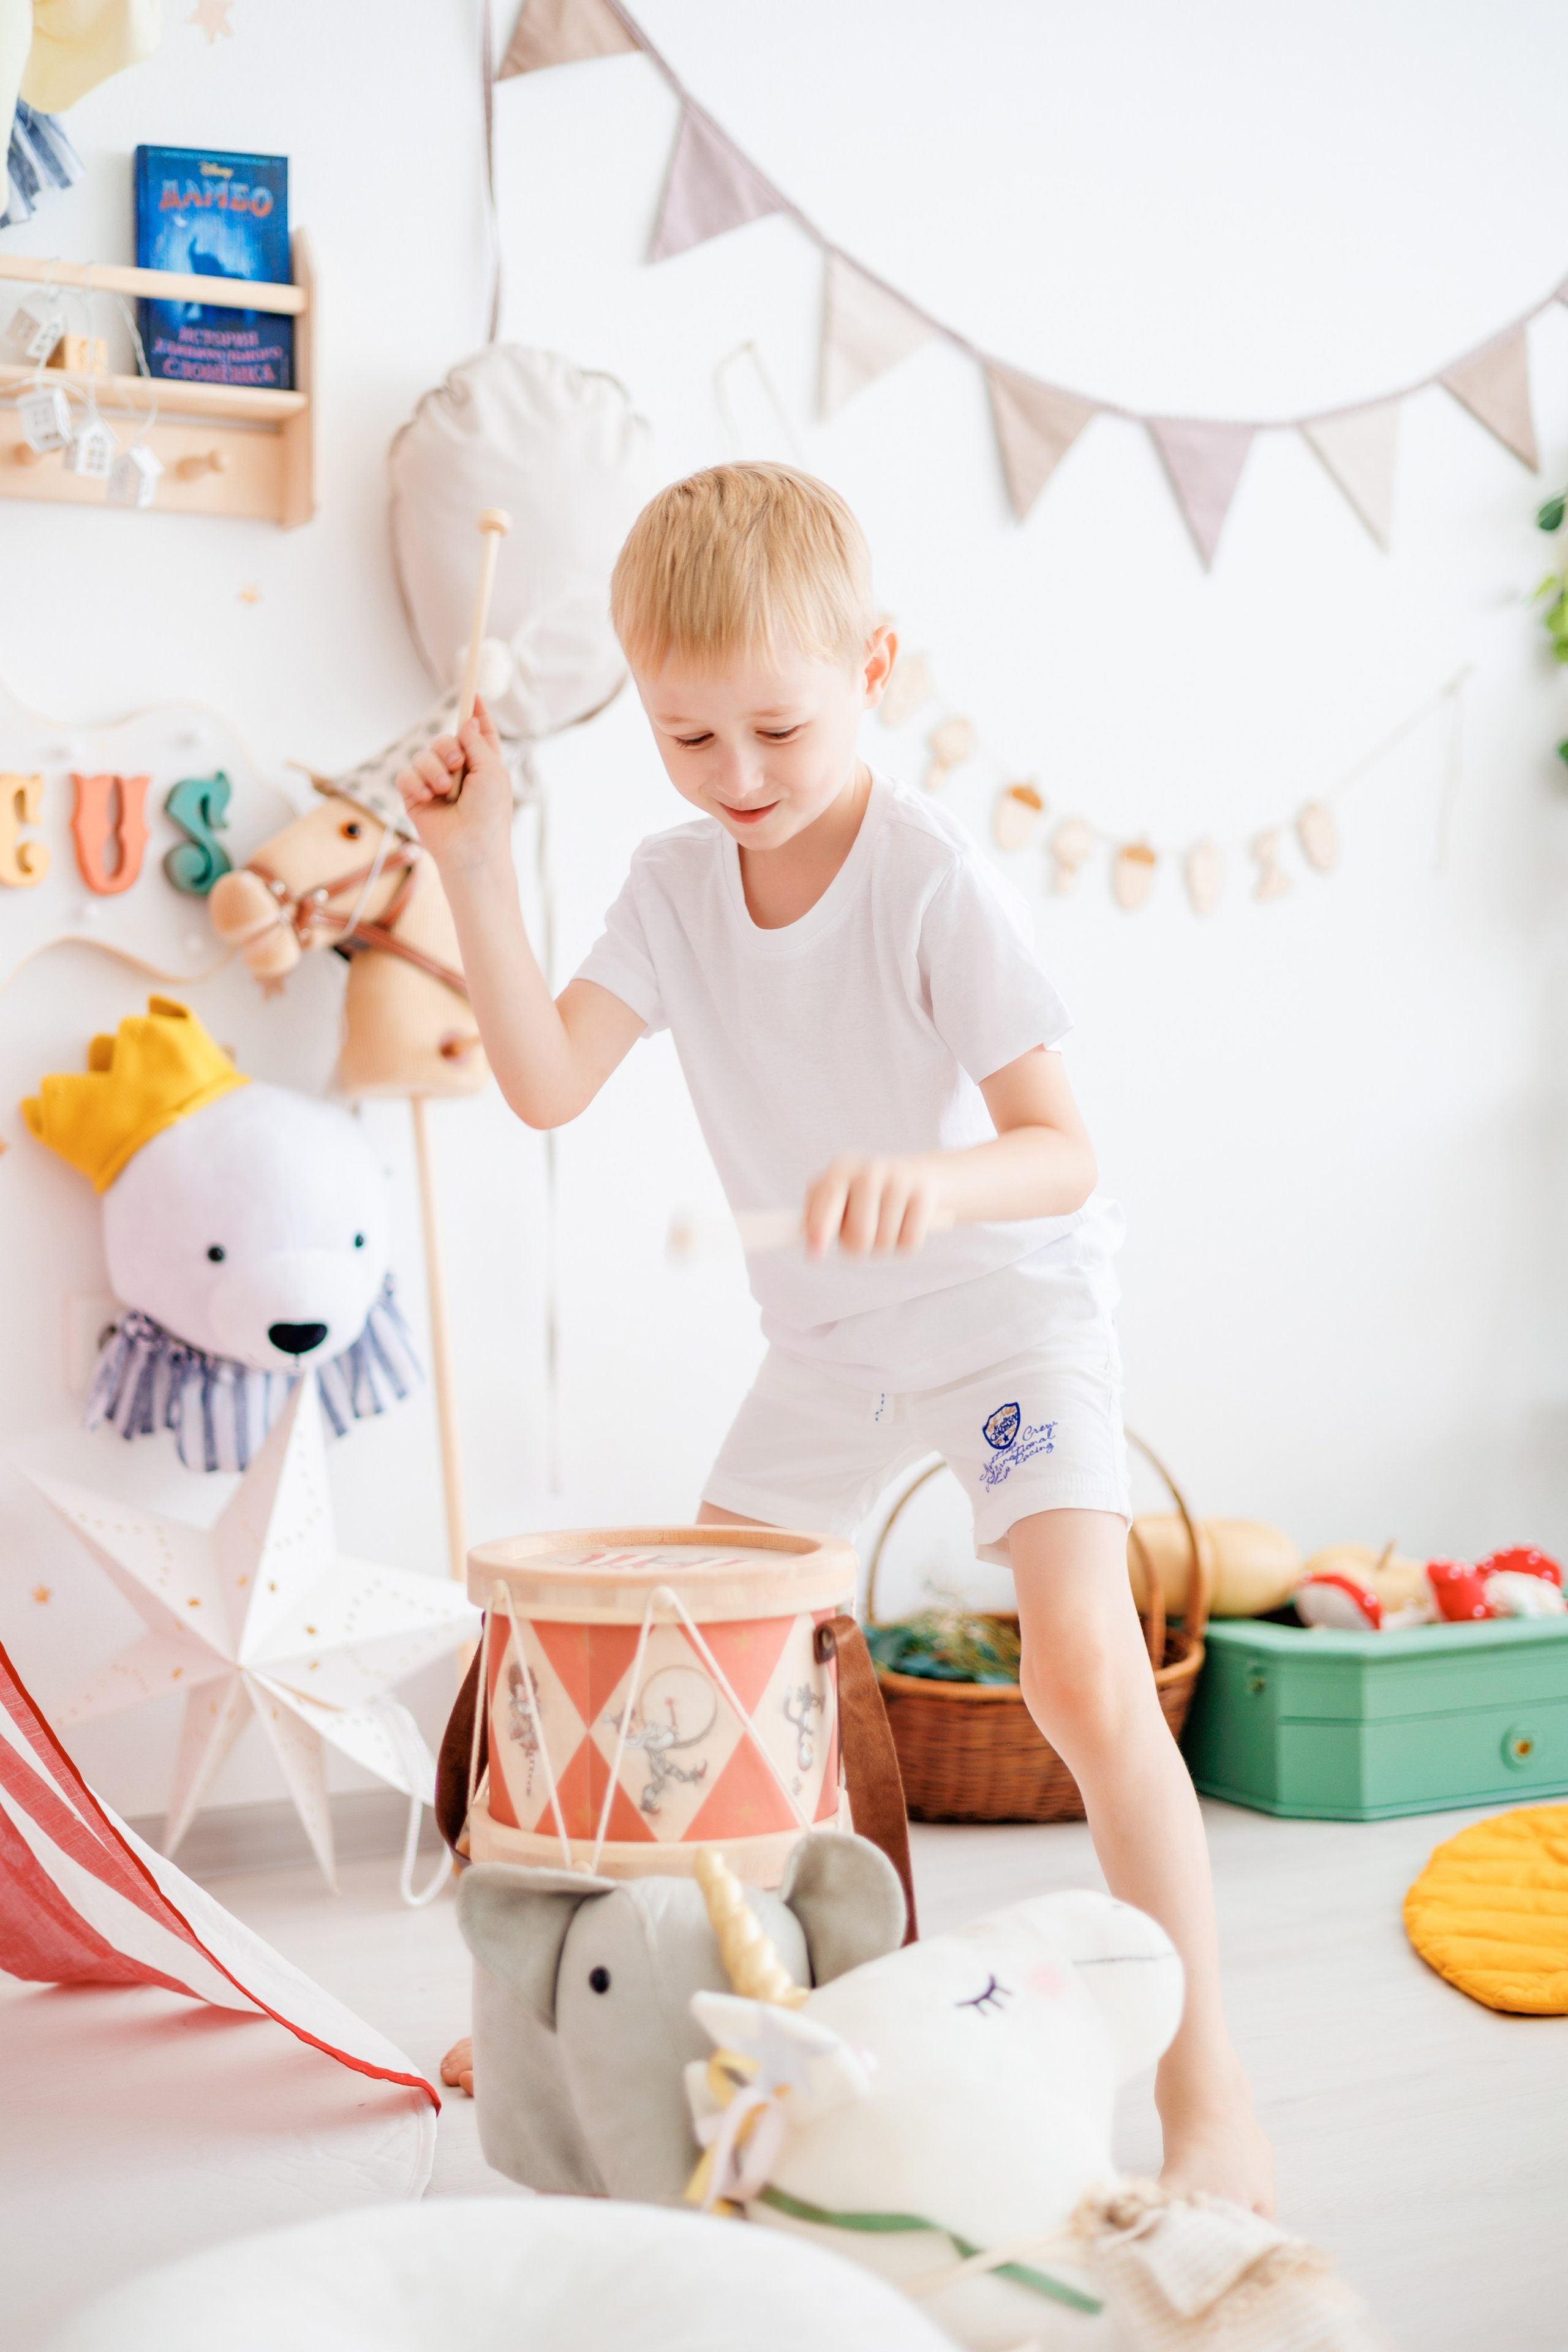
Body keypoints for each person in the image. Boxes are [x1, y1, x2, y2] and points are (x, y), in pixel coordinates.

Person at [402, 463, 1272, 2212]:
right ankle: (568, 2017)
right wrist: (473, 867)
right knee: (683, 1672)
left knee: (1083, 1675)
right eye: (686, 740)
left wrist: (935, 1186)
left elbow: (1062, 1153)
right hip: (828, 1348)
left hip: (1009, 1315)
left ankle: (1211, 2105)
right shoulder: (669, 883)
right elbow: (548, 1082)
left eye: (778, 731)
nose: (737, 781)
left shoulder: (932, 878)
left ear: (876, 666)